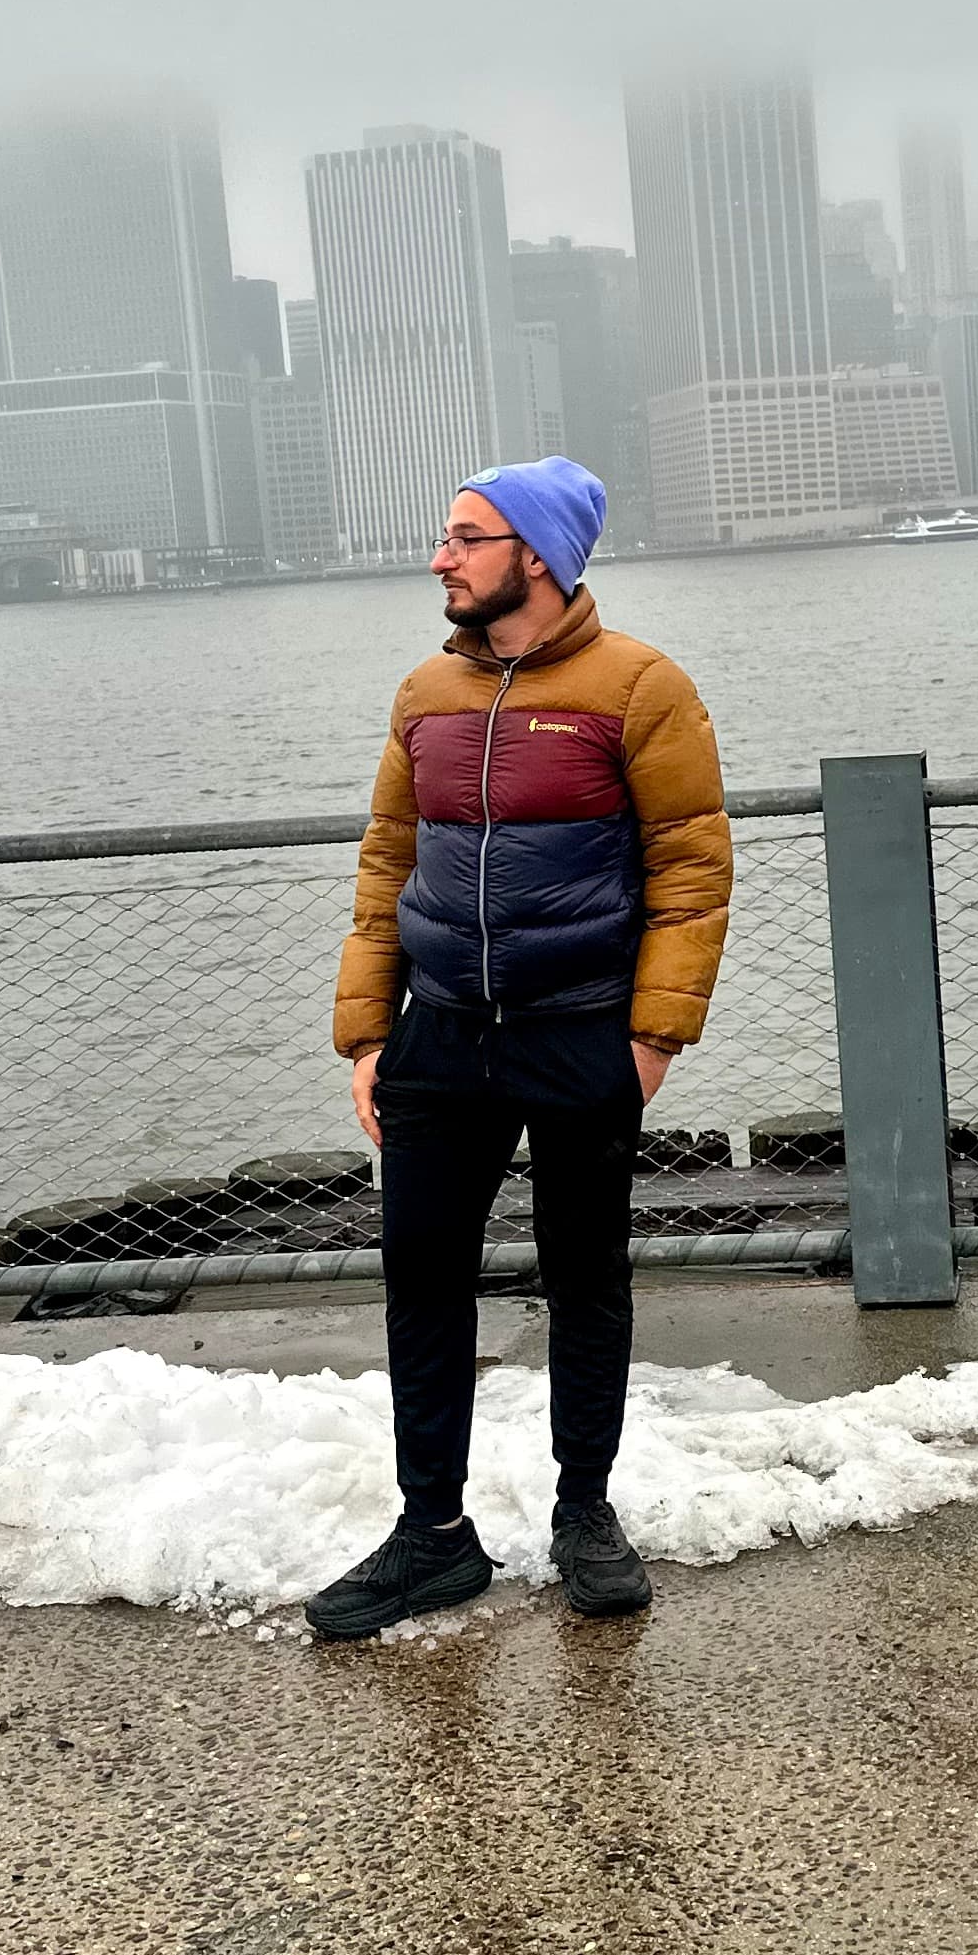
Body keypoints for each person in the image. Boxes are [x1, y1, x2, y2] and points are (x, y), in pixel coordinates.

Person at [306, 454, 732, 1640]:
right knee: (420, 1278)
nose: (440, 558)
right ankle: (431, 1535)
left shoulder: (642, 688)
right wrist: (365, 1033)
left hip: (579, 1035)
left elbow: (692, 871)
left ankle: (584, 1512)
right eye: (447, 537)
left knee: (585, 1276)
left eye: (464, 537)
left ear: (533, 557)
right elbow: (388, 863)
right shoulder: (422, 696)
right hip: (439, 1036)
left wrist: (651, 1039)